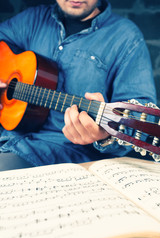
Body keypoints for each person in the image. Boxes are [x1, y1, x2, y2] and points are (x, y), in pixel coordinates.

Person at [0, 0, 157, 170]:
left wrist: (104, 136)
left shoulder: (126, 37)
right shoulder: (33, 19)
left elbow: (141, 118)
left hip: (64, 156)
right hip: (9, 138)